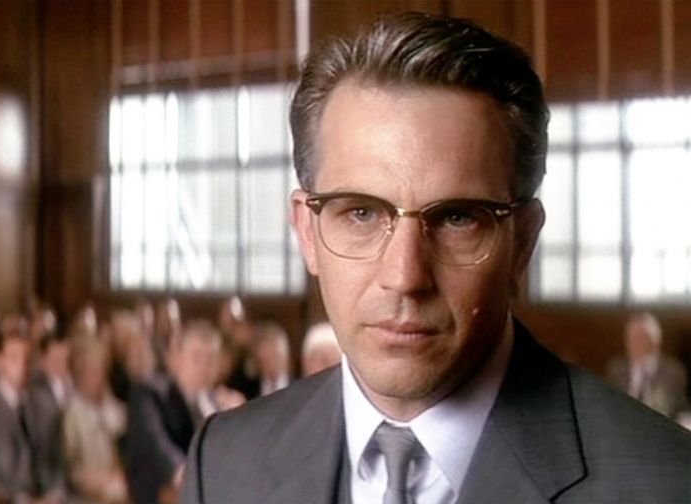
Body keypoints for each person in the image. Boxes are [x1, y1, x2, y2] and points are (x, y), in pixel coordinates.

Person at [178, 12, 691, 504]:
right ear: (307, 232)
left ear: (523, 243)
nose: (404, 277)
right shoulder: (224, 461)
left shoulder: (667, 485)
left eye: (456, 218)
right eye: (360, 213)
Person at [126, 319, 244, 504]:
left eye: (211, 359)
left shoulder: (222, 403)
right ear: (177, 359)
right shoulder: (151, 393)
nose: (204, 367)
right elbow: (155, 443)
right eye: (196, 357)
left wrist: (237, 421)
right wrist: (183, 474)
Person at [0, 330, 66, 503]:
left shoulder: (45, 405)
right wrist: (21, 499)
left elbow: (56, 461)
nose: (22, 366)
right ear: (0, 362)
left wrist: (55, 494)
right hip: (3, 499)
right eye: (14, 358)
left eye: (27, 359)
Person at [64, 339, 128, 504]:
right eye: (92, 370)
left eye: (101, 369)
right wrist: (96, 481)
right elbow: (69, 469)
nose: (98, 376)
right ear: (80, 374)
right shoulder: (71, 415)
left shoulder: (118, 410)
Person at [606, 312, 689, 419]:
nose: (637, 344)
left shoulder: (673, 371)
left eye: (643, 338)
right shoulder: (616, 369)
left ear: (656, 341)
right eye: (633, 338)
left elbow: (681, 409)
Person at [253, 321, 292, 396]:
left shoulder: (299, 386)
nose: (271, 363)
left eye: (274, 356)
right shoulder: (252, 392)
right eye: (266, 358)